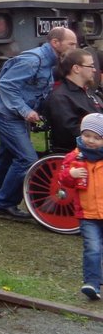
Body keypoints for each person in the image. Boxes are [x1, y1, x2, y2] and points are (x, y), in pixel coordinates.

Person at [0, 26, 79, 219]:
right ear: (55, 43)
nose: (74, 48)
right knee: (26, 160)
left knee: (6, 158)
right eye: (71, 44)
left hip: (13, 116)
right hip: (6, 115)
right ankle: (4, 204)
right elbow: (6, 85)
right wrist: (26, 111)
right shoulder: (33, 60)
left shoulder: (50, 62)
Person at [57, 113, 103, 300]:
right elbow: (62, 178)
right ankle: (92, 283)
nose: (90, 140)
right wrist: (72, 174)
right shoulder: (74, 157)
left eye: (97, 137)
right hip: (87, 214)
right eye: (87, 135)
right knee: (92, 248)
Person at [46, 48, 103, 152]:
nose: (94, 70)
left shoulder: (89, 92)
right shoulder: (60, 97)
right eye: (91, 66)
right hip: (83, 150)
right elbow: (69, 131)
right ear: (76, 68)